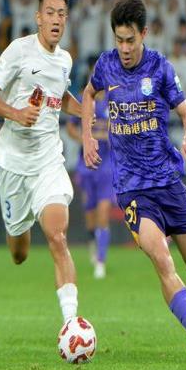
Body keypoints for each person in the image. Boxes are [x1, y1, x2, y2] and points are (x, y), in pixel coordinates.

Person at [81, 0, 186, 362]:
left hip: (167, 181)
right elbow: (88, 93)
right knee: (162, 259)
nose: (124, 49)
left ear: (144, 34)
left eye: (130, 40)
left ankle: (168, 224)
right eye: (119, 40)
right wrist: (87, 135)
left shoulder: (160, 68)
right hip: (132, 189)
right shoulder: (106, 66)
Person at [0, 0, 82, 323]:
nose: (56, 19)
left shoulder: (65, 60)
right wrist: (16, 113)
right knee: (19, 254)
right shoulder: (19, 51)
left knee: (57, 235)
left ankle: (71, 323)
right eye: (50, 12)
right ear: (39, 18)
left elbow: (61, 97)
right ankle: (18, 231)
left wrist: (88, 113)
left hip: (48, 162)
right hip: (13, 165)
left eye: (62, 14)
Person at [67, 96, 114, 279]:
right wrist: (85, 139)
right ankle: (93, 244)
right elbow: (70, 127)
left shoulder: (114, 99)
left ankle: (101, 261)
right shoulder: (83, 100)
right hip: (86, 166)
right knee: (90, 214)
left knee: (103, 211)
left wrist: (110, 136)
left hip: (107, 167)